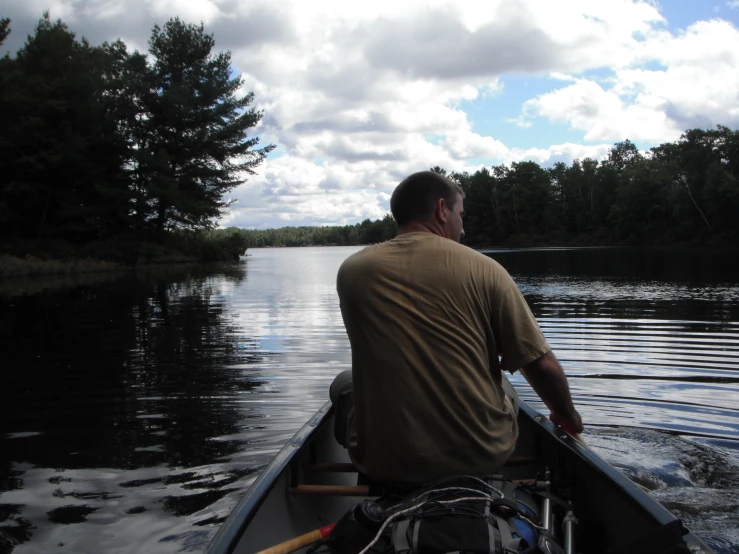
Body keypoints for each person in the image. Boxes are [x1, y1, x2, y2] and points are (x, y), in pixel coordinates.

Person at [333, 170, 583, 485]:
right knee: (504, 386)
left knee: (344, 384)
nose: (462, 229)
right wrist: (567, 416)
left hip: (383, 462)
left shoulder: (352, 272)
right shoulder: (487, 270)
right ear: (441, 209)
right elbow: (541, 365)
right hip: (479, 456)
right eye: (460, 215)